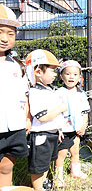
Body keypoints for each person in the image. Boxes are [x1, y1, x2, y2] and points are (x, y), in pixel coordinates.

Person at [25, 49, 67, 191]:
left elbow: (52, 116)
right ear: (38, 71)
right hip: (40, 135)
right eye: (53, 70)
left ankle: (44, 184)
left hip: (50, 133)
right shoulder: (35, 92)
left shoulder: (48, 89)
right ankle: (38, 187)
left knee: (47, 162)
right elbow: (42, 117)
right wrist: (61, 108)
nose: (56, 74)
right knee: (39, 166)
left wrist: (58, 129)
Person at [0, 4, 30, 188]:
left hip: (14, 125)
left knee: (7, 165)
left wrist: (27, 118)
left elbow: (24, 94)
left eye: (11, 34)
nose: (4, 38)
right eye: (0, 32)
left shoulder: (17, 65)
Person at [55, 60, 90, 187]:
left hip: (76, 129)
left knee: (75, 151)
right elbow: (55, 113)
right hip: (64, 129)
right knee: (62, 153)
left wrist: (83, 126)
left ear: (79, 77)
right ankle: (58, 176)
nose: (71, 77)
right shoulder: (59, 93)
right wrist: (58, 129)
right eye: (68, 74)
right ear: (61, 76)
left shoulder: (81, 93)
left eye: (75, 74)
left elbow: (85, 111)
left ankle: (75, 172)